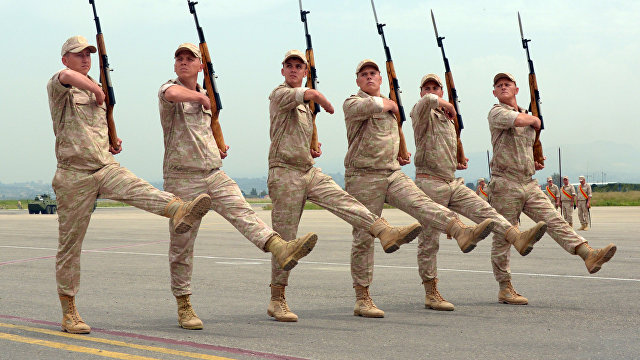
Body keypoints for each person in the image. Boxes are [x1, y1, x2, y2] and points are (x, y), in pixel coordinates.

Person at [47, 36, 213, 334]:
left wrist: (112, 138)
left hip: (103, 166)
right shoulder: (61, 88)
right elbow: (66, 77)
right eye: (78, 55)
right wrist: (97, 89)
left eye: (88, 54)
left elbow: (95, 127)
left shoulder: (94, 95)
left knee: (138, 187)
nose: (85, 59)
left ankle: (179, 209)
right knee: (70, 246)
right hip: (73, 175)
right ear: (65, 59)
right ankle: (69, 310)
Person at [159, 44, 319, 329]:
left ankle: (279, 247)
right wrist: (200, 97)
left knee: (244, 212)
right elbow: (173, 95)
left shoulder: (206, 98)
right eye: (179, 59)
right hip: (182, 178)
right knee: (182, 245)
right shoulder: (171, 90)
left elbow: (203, 131)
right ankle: (184, 304)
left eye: (190, 59)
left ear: (200, 67)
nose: (183, 62)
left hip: (212, 173)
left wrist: (217, 145)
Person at [267, 50, 422, 322]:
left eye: (298, 67)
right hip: (284, 174)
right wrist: (322, 99)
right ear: (283, 71)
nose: (293, 70)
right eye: (289, 66)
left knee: (344, 200)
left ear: (305, 72)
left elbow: (297, 126)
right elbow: (310, 95)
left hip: (306, 169)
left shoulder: (303, 107)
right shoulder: (280, 94)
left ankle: (384, 231)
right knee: (287, 239)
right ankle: (277, 298)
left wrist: (311, 146)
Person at [343, 60, 496, 317]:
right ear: (358, 80)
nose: (369, 77)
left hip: (392, 172)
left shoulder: (395, 111)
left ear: (380, 79)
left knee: (424, 206)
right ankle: (362, 297)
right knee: (363, 237)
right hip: (363, 177)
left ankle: (460, 231)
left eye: (373, 74)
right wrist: (391, 103)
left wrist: (400, 152)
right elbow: (367, 107)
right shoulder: (354, 102)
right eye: (364, 74)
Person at [409, 73, 546, 310]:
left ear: (442, 90)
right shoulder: (421, 111)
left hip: (452, 182)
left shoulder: (447, 118)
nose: (431, 91)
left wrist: (457, 158)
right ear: (421, 92)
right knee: (429, 241)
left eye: (435, 87)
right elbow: (425, 103)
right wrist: (446, 103)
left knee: (487, 212)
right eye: (426, 88)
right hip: (429, 183)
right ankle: (431, 292)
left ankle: (517, 237)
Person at [487, 72, 616, 304]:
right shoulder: (497, 112)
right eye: (499, 85)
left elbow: (526, 142)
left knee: (554, 220)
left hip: (528, 182)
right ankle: (505, 288)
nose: (503, 87)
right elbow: (516, 120)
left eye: (508, 84)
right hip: (505, 184)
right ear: (494, 92)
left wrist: (534, 159)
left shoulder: (526, 115)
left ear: (517, 90)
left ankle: (588, 254)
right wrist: (535, 121)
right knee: (503, 237)